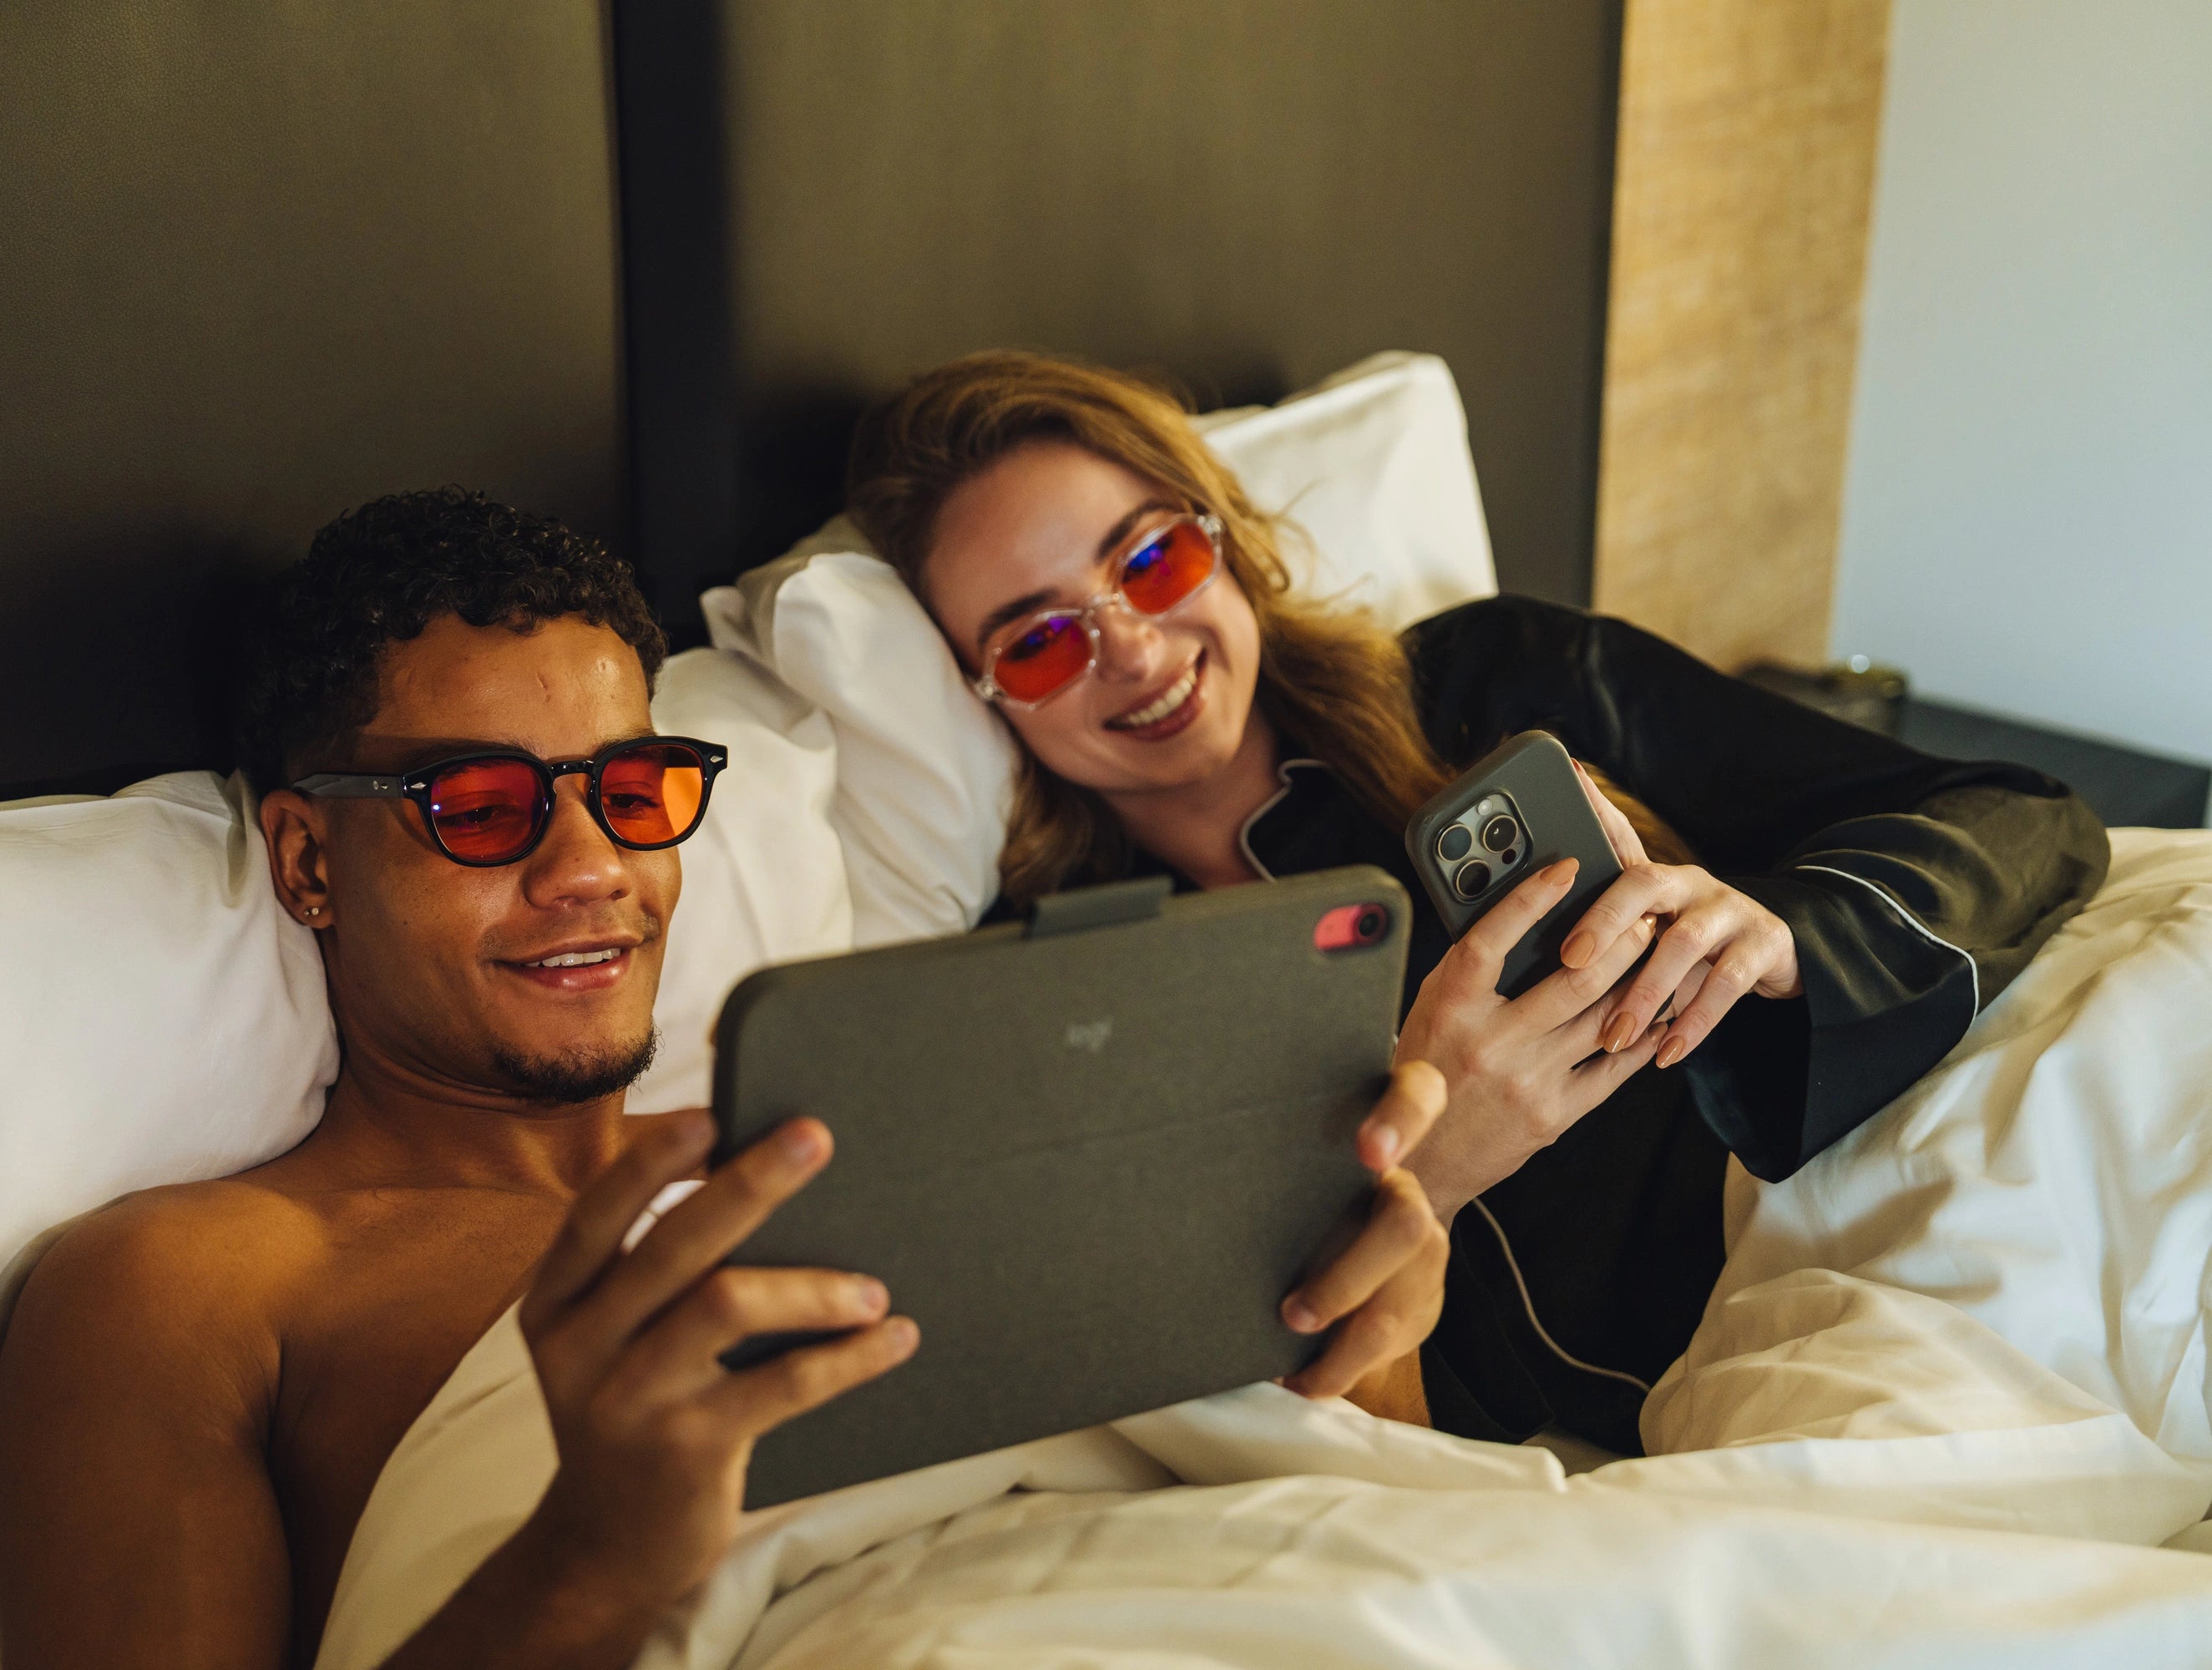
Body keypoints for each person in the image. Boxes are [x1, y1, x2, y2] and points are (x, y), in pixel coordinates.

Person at [0, 486, 1452, 1670]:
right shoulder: (191, 1283)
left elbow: (1377, 1540)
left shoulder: (902, 1156)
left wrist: (1362, 1337)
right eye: (477, 808)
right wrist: (596, 1554)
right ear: (309, 860)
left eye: (631, 794)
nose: (592, 872)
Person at [842, 351, 2109, 1454]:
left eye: (1151, 559)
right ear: (981, 698)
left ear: (1218, 535)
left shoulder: (1503, 682)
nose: (1129, 646)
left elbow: (2021, 815)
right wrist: (1422, 1174)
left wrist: (1785, 935)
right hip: (1723, 1400)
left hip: (1919, 1186)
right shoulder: (1078, 996)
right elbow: (1278, 1402)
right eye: (1038, 642)